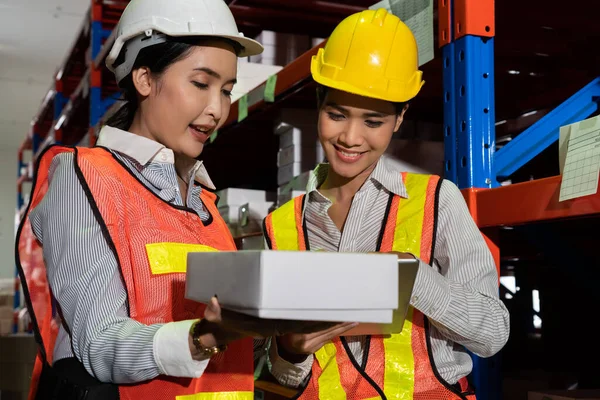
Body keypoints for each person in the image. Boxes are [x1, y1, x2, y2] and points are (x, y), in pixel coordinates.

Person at [15, 0, 273, 399]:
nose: (217, 109)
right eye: (201, 84)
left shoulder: (202, 198)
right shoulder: (85, 177)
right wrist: (202, 337)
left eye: (226, 90)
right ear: (144, 78)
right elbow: (98, 344)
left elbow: (227, 352)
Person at [262, 8, 510, 399]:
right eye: (336, 114)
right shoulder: (281, 226)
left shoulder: (435, 201)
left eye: (373, 121)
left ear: (399, 118)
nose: (350, 137)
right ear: (318, 103)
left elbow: (492, 333)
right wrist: (290, 350)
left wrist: (411, 277)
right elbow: (285, 377)